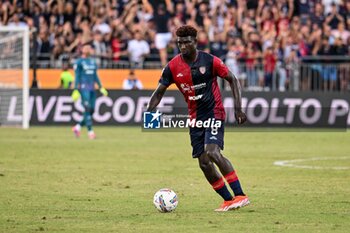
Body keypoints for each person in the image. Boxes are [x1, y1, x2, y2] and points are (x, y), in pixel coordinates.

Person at [146, 25, 249, 212]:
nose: (182, 46)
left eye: (186, 42)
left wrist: (238, 109)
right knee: (203, 163)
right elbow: (159, 92)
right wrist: (149, 111)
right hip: (195, 118)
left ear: (195, 42)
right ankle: (228, 200)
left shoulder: (211, 61)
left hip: (214, 112)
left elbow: (233, 80)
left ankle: (240, 195)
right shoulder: (172, 67)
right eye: (179, 43)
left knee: (212, 152)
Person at [71, 43, 108, 139]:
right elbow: (77, 76)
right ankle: (90, 132)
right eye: (86, 48)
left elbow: (96, 76)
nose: (88, 50)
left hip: (92, 88)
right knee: (87, 109)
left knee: (92, 110)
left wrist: (101, 87)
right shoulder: (79, 62)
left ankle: (77, 127)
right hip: (84, 88)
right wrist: (75, 89)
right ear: (82, 50)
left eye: (89, 48)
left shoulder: (93, 62)